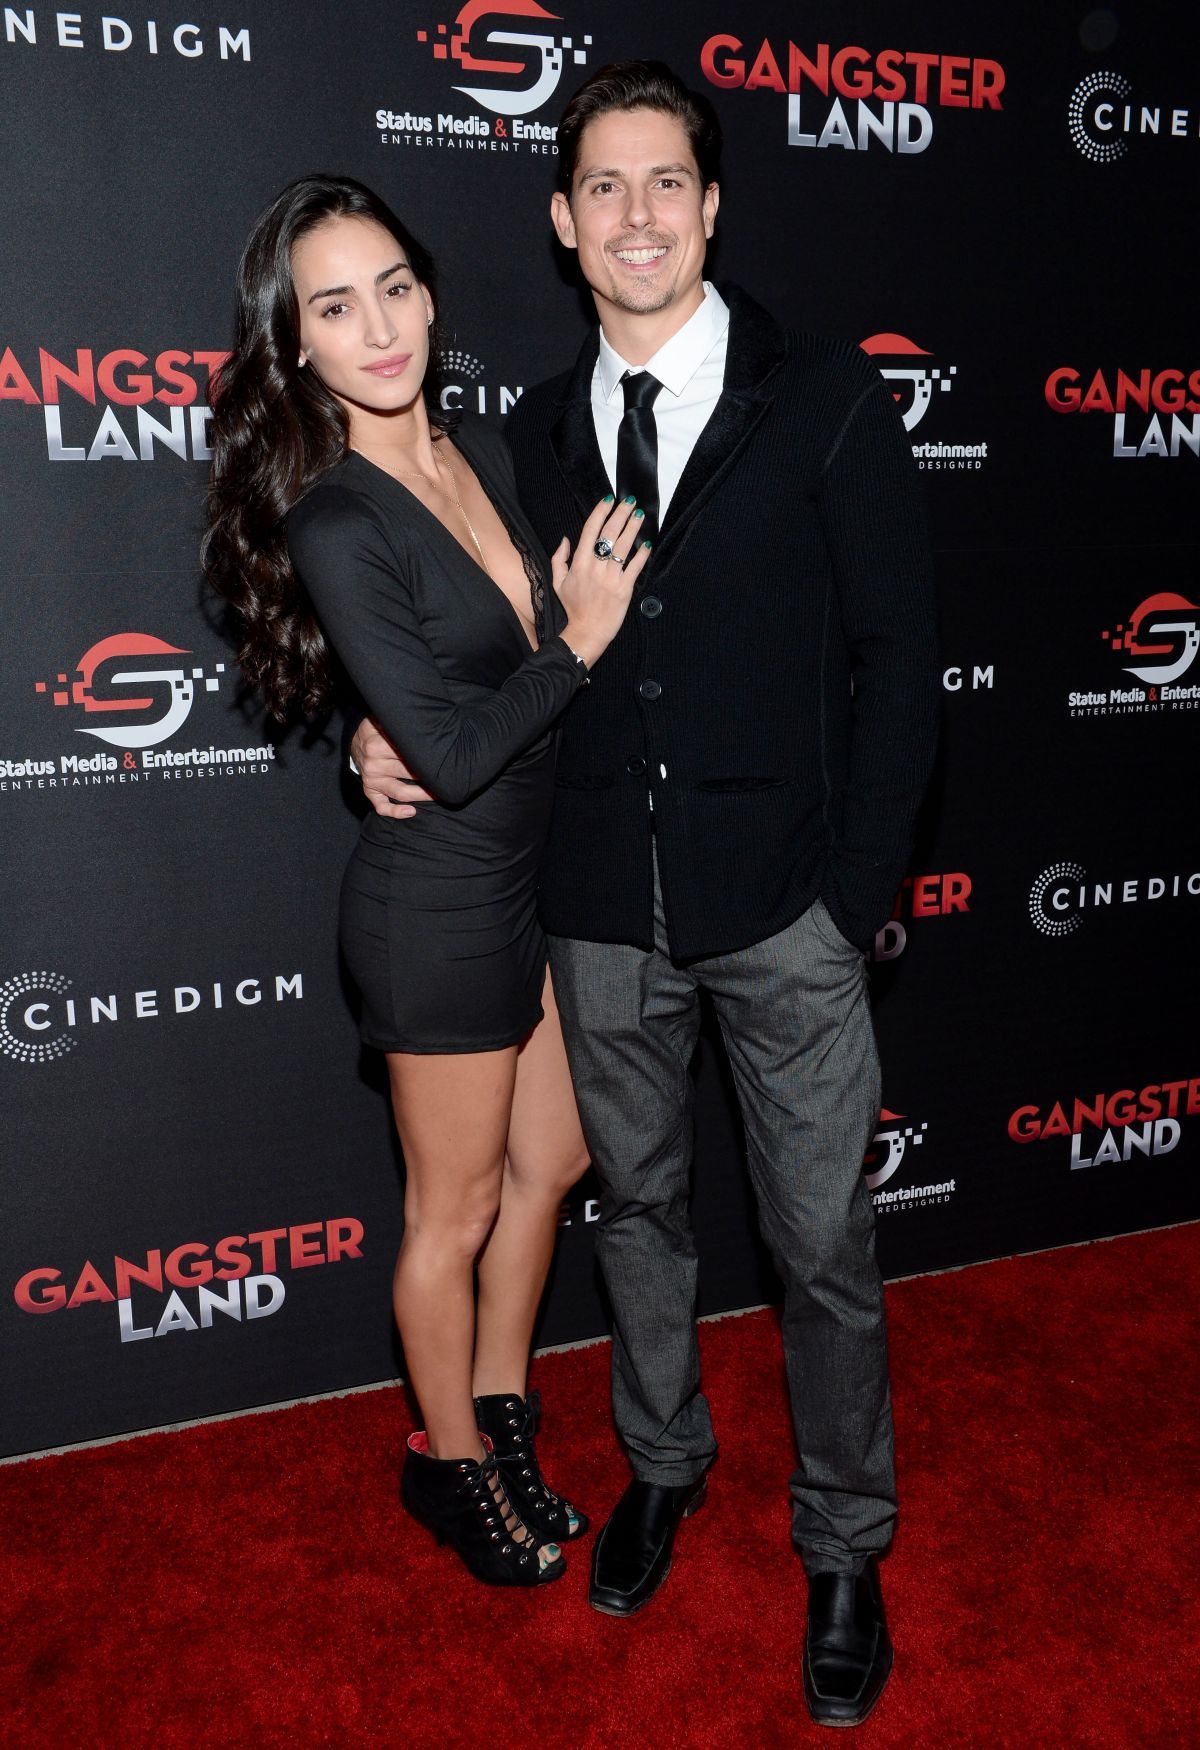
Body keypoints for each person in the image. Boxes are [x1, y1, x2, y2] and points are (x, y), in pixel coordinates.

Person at [354, 60, 941, 1724]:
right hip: (600, 908)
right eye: (602, 186)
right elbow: (472, 650)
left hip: (788, 908)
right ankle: (664, 1462)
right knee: (644, 1214)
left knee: (822, 1243)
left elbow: (903, 662)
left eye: (666, 181)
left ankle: (844, 1540)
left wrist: (853, 896)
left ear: (713, 204)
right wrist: (382, 743)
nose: (636, 215)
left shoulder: (826, 397)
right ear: (561, 221)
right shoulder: (528, 433)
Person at [203, 173, 652, 1589]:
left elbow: (466, 690)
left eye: (395, 287)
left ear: (430, 293)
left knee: (553, 1164)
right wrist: (579, 640)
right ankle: (449, 1465)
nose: (381, 327)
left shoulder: (480, 453)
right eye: (336, 307)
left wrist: (538, 654)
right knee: (448, 1215)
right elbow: (452, 751)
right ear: (296, 344)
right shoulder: (336, 518)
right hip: (437, 909)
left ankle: (502, 1410)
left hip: (534, 884)